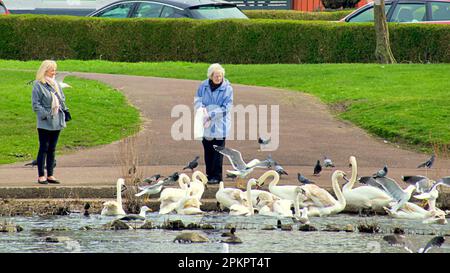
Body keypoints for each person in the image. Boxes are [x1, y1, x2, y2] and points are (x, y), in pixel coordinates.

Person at [194, 63, 233, 184]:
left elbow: (227, 107)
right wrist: (201, 109)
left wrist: (211, 114)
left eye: (220, 76)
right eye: (216, 76)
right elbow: (197, 99)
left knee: (218, 151)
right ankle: (209, 174)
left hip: (220, 125)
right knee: (208, 150)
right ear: (211, 76)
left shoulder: (228, 88)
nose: (218, 78)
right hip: (205, 124)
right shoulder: (203, 85)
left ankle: (217, 176)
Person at [31, 60, 69, 184]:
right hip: (45, 121)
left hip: (57, 119)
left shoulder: (56, 84)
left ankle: (50, 175)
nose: (54, 72)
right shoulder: (38, 85)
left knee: (52, 148)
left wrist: (63, 110)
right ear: (45, 71)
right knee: (44, 147)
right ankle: (41, 175)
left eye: (55, 70)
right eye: (52, 70)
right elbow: (36, 105)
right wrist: (47, 115)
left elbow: (62, 99)